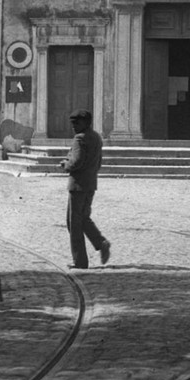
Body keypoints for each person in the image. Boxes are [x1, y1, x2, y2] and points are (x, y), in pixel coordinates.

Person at [63, 109, 110, 270]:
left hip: (77, 185)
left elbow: (76, 162)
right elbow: (99, 162)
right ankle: (100, 243)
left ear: (86, 123)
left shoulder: (79, 139)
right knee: (83, 219)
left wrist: (66, 165)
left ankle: (80, 261)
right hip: (90, 183)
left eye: (77, 123)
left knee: (73, 223)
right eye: (72, 123)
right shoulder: (96, 137)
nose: (74, 127)